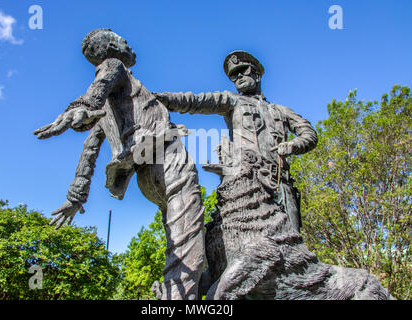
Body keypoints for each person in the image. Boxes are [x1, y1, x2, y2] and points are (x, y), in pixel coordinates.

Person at [34, 28, 205, 300]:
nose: (129, 44)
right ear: (112, 45)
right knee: (188, 242)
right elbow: (98, 89)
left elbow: (90, 148)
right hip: (165, 158)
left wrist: (76, 196)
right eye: (123, 39)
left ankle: (185, 288)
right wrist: (82, 105)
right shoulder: (115, 68)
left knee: (180, 236)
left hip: (144, 176)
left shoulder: (116, 103)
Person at [155, 51, 318, 232]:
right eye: (234, 75)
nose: (238, 76)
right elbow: (196, 101)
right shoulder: (232, 100)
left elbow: (309, 134)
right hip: (247, 182)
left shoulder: (281, 111)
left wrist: (293, 145)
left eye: (243, 70)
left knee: (293, 241)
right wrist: (163, 99)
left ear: (257, 73)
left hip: (280, 185)